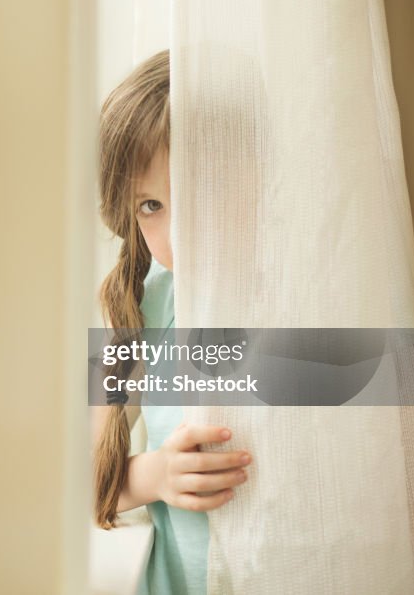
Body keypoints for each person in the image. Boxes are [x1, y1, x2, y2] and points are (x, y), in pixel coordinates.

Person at [91, 49, 253, 595]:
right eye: (151, 206)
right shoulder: (143, 308)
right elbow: (81, 479)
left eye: (199, 192)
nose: (178, 234)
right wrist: (155, 476)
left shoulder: (298, 292)